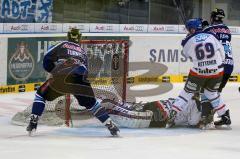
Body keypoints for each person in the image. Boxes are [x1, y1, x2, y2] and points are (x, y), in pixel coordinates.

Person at [26, 28, 120, 136]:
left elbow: (47, 58)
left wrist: (53, 71)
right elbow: (87, 72)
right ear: (79, 38)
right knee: (92, 103)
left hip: (63, 76)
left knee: (40, 95)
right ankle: (110, 125)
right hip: (81, 78)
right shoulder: (83, 52)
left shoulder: (62, 44)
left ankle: (33, 122)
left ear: (68, 36)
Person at [165, 18, 231, 128]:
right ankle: (225, 115)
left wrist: (188, 40)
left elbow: (188, 56)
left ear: (192, 29)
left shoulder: (187, 41)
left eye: (188, 30)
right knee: (211, 93)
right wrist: (219, 64)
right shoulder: (211, 36)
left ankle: (172, 114)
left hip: (199, 73)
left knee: (187, 93)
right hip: (218, 71)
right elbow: (222, 51)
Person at [203, 8, 233, 93]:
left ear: (213, 18)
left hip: (217, 66)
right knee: (216, 93)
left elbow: (200, 38)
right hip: (229, 66)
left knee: (207, 92)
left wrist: (204, 26)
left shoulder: (207, 29)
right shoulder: (227, 30)